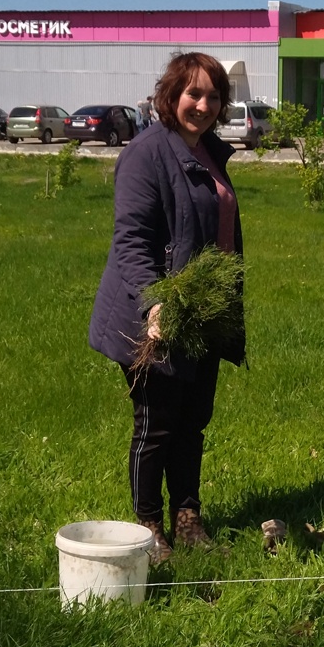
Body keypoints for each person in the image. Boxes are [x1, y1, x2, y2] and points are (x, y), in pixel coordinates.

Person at [89, 53, 244, 562]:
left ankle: (189, 516)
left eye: (213, 96)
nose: (202, 105)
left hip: (200, 314)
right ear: (170, 96)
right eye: (192, 94)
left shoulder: (208, 153)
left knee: (193, 419)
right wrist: (156, 303)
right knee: (156, 423)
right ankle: (149, 526)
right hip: (151, 315)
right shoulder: (147, 153)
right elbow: (132, 241)